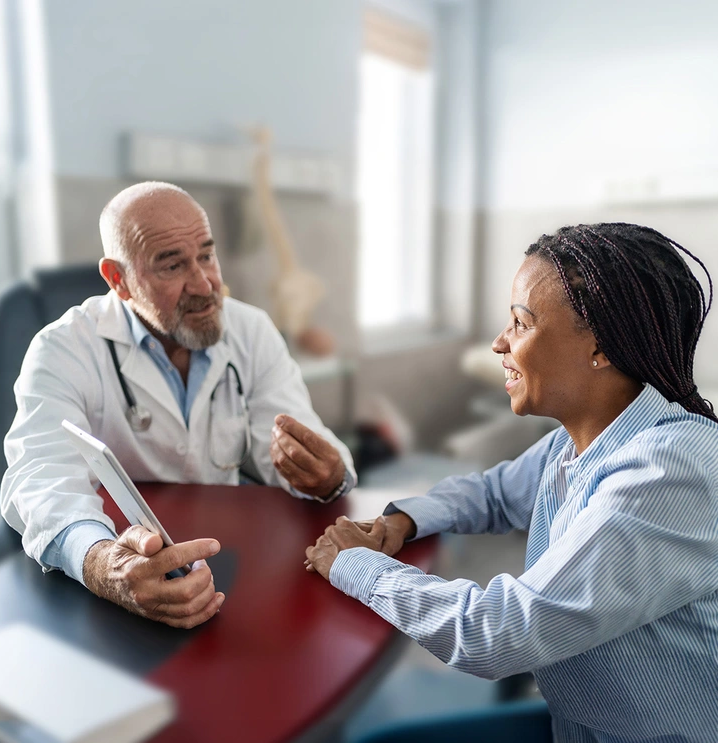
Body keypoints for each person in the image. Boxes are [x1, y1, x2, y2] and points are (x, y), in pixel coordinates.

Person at [306, 223, 718, 742]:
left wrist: (354, 564)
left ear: (601, 346)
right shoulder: (582, 439)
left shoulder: (667, 474)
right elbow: (496, 493)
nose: (499, 342)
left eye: (521, 324)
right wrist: (402, 521)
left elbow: (496, 633)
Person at [1, 181, 356, 629]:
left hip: (231, 561)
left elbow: (297, 444)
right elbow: (41, 479)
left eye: (206, 255)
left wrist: (328, 477)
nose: (205, 283)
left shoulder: (251, 331)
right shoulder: (63, 348)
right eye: (172, 265)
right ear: (118, 280)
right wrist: (103, 563)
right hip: (124, 565)